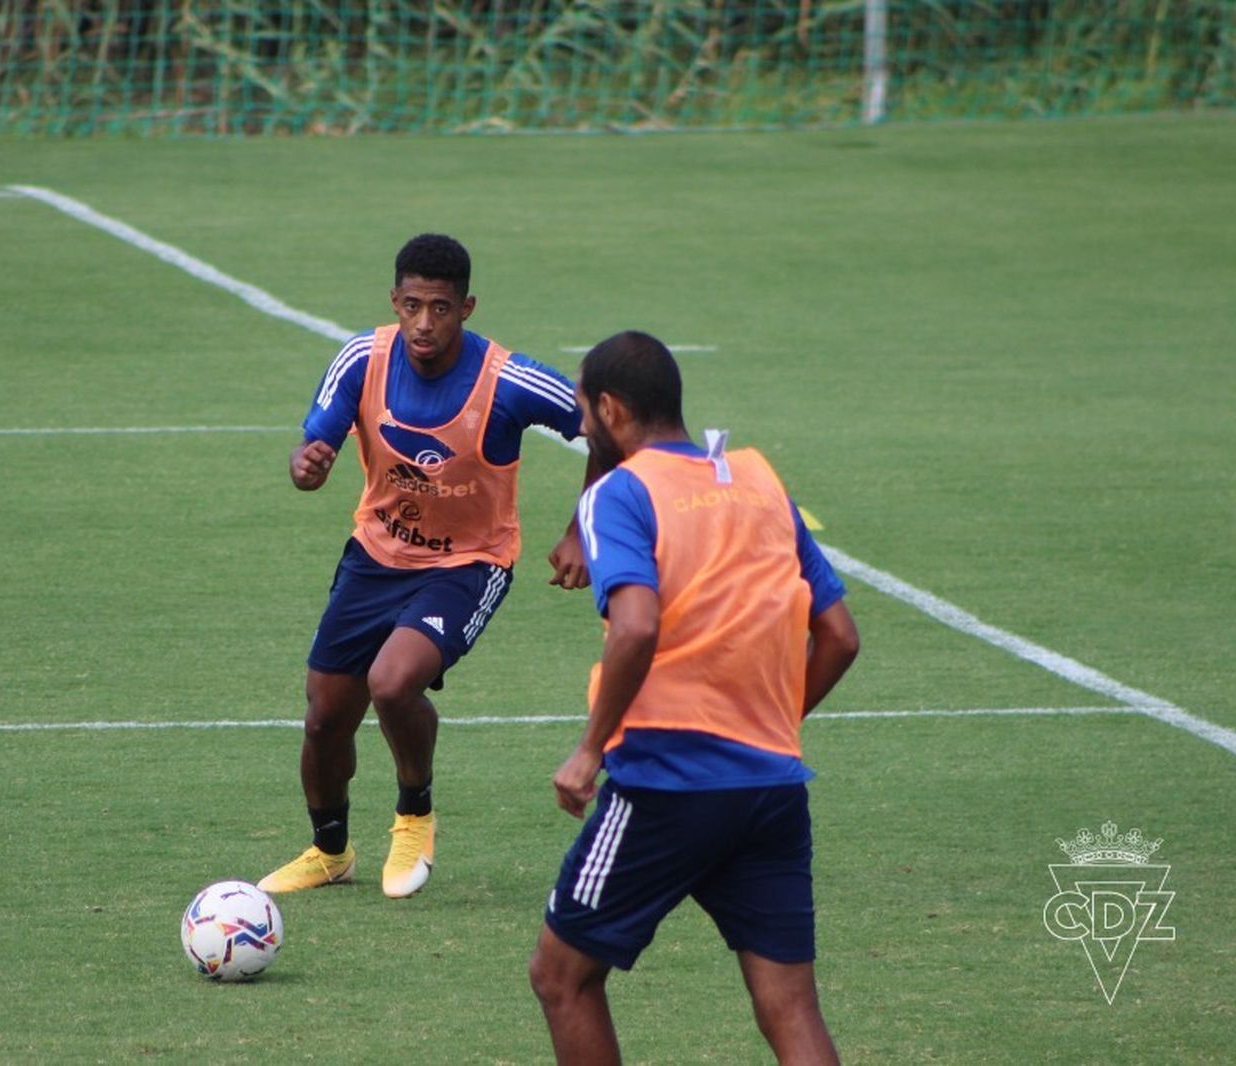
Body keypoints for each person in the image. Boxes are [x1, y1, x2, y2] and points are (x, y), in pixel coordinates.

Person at [529, 331, 860, 1064]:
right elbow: (839, 635)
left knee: (561, 977)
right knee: (790, 1009)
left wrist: (589, 751)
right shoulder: (759, 480)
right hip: (771, 785)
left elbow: (637, 626)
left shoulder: (620, 492)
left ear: (612, 410)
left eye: (585, 414)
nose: (584, 429)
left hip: (665, 784)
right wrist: (768, 724)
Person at [259, 233, 595, 899]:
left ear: (466, 307)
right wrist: (307, 467)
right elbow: (310, 456)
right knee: (325, 716)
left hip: (468, 565)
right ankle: (330, 852)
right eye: (411, 305)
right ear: (394, 300)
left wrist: (582, 530)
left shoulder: (508, 380)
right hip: (375, 555)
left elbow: (606, 427)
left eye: (440, 308)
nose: (423, 324)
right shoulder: (363, 358)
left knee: (391, 683)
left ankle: (413, 814)